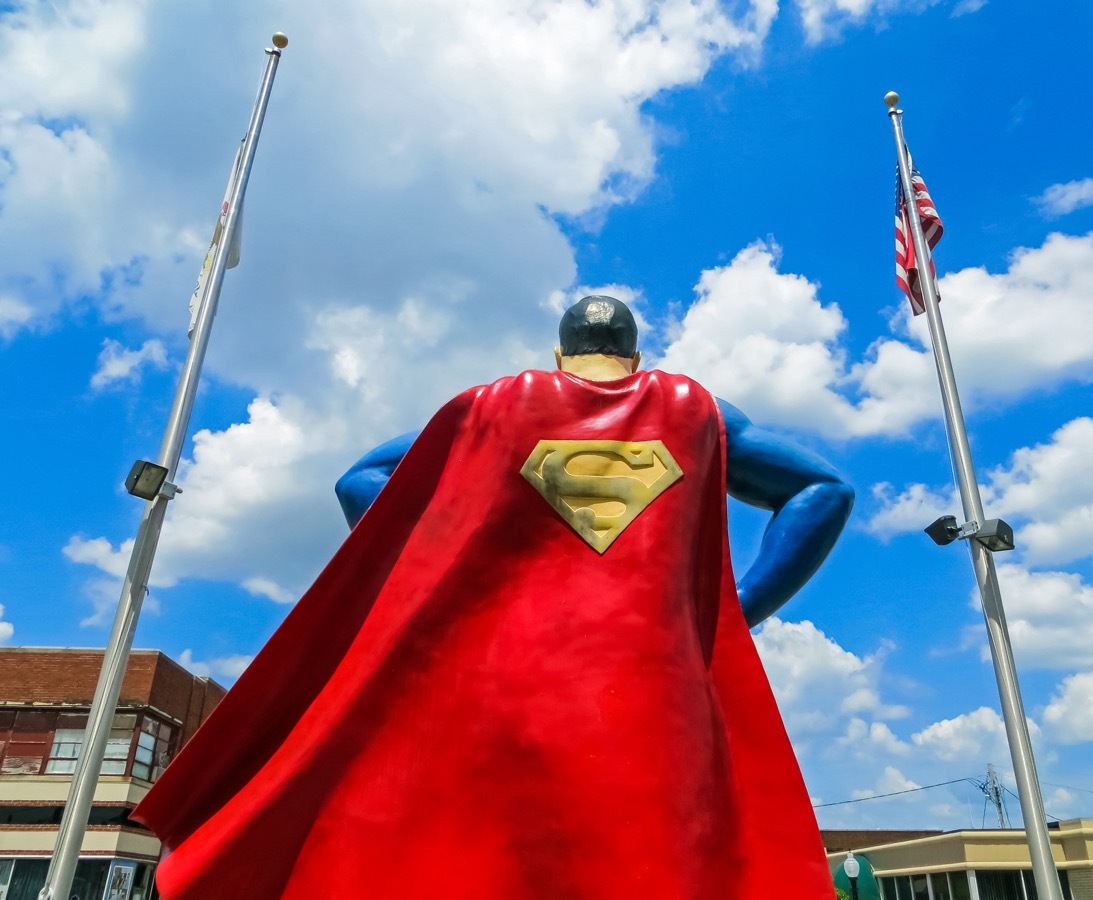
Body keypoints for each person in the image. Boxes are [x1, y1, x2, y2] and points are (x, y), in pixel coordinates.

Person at [134, 296, 852, 899]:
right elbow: (824, 491)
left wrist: (444, 568)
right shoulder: (697, 411)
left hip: (503, 683)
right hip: (652, 687)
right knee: (657, 859)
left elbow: (361, 480)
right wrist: (733, 613)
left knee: (485, 858)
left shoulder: (492, 406)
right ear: (634, 357)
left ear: (558, 354)